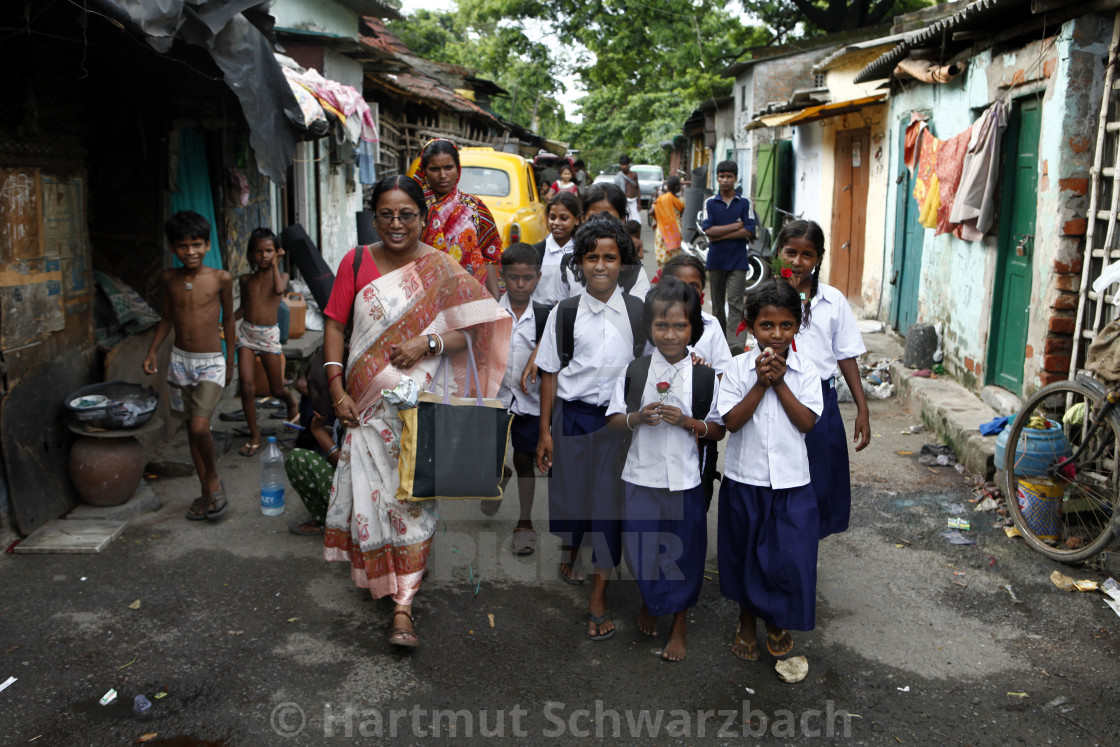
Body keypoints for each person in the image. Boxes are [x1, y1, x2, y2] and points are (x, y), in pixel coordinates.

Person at [322, 175, 511, 649]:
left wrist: (427, 340)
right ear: (374, 217)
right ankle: (383, 576)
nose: (396, 223)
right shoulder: (356, 261)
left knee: (411, 503)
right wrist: (334, 388)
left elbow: (475, 330)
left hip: (416, 409)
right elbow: (334, 324)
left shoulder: (441, 269)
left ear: (423, 219)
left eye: (407, 214)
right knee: (370, 497)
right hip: (363, 406)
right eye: (386, 214)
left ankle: (404, 606)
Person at [535, 214, 646, 641]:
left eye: (610, 257)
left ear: (624, 263)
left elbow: (657, 362)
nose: (600, 266)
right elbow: (548, 373)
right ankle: (571, 544)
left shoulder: (638, 313)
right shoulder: (565, 314)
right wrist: (545, 431)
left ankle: (599, 593)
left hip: (619, 425)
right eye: (592, 257)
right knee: (573, 498)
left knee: (608, 505)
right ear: (578, 263)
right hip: (574, 417)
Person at [606, 278, 725, 661]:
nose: (670, 334)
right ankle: (653, 600)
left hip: (686, 482)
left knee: (685, 554)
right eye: (661, 325)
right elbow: (612, 420)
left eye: (680, 326)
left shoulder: (704, 376)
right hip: (640, 477)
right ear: (649, 327)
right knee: (642, 551)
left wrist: (691, 423)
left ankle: (679, 622)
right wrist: (637, 417)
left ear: (694, 328)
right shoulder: (635, 370)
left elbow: (720, 428)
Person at [716, 279, 822, 662]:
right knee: (746, 557)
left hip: (792, 484)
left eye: (786, 326)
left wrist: (780, 384)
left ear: (797, 325)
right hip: (746, 481)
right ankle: (746, 623)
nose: (776, 335)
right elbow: (731, 422)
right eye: (767, 326)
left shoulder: (807, 371)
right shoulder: (737, 369)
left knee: (786, 559)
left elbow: (806, 422)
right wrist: (761, 384)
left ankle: (776, 620)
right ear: (750, 325)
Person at [776, 219, 871, 538]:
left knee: (818, 476)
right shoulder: (766, 299)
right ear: (779, 252)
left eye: (807, 255)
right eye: (790, 252)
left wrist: (862, 409)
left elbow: (846, 355)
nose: (797, 262)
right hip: (775, 394)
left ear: (818, 259)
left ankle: (805, 545)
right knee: (776, 474)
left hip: (820, 401)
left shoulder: (833, 302)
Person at [142, 210, 235, 521]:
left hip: (211, 363)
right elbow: (167, 319)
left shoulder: (221, 278)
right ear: (173, 248)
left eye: (196, 244)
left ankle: (212, 480)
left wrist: (231, 359)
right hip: (180, 363)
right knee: (190, 431)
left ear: (207, 245)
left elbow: (229, 320)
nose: (191, 252)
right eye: (183, 246)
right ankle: (207, 490)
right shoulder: (169, 278)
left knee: (199, 426)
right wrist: (153, 351)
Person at [486, 242, 546, 555]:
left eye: (527, 278)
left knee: (525, 459)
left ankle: (525, 522)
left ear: (537, 277)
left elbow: (555, 353)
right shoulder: (492, 309)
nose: (520, 285)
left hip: (531, 402)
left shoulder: (546, 314)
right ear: (503, 277)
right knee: (490, 455)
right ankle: (498, 475)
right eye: (513, 278)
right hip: (496, 397)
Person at [660, 253, 733, 508]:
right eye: (679, 285)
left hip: (699, 432)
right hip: (658, 428)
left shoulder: (710, 326)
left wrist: (705, 376)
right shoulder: (654, 326)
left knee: (696, 497)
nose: (686, 292)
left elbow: (723, 377)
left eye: (694, 286)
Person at [235, 228, 298, 457]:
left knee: (276, 388)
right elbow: (243, 308)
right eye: (259, 251)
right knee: (247, 387)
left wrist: (275, 264)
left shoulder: (281, 277)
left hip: (269, 335)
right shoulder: (245, 280)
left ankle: (290, 402)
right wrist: (223, 321)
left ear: (276, 252)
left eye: (269, 251)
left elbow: (280, 291)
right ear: (251, 254)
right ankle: (255, 435)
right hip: (247, 335)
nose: (263, 255)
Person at [414, 138, 503, 299]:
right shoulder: (414, 210)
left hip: (471, 297)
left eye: (448, 167)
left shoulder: (474, 208)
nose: (442, 175)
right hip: (425, 300)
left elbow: (490, 254)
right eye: (434, 169)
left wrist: (495, 300)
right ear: (424, 171)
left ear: (457, 168)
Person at [701, 161, 756, 346]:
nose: (725, 180)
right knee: (717, 306)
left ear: (735, 178)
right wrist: (736, 226)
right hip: (715, 261)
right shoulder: (710, 202)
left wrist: (719, 234)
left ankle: (736, 346)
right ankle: (719, 343)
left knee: (736, 304)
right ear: (717, 178)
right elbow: (708, 231)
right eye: (722, 176)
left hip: (738, 262)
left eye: (729, 176)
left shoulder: (745, 202)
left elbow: (750, 230)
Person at [582, 183, 651, 299]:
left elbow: (639, 312)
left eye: (609, 218)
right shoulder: (569, 266)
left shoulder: (634, 273)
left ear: (623, 219)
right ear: (583, 218)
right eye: (593, 218)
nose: (601, 225)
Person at [532, 192, 582, 308]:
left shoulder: (581, 254)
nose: (556, 223)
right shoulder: (536, 252)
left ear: (576, 220)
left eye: (563, 218)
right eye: (552, 218)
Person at [653, 176, 685, 268]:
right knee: (674, 259)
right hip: (675, 231)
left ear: (668, 187)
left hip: (663, 230)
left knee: (664, 259)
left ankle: (664, 276)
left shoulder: (661, 199)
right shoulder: (681, 200)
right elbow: (680, 214)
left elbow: (652, 211)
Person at [612, 154, 642, 223]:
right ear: (620, 165)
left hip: (633, 201)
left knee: (637, 222)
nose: (624, 167)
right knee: (624, 221)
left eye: (626, 164)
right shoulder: (618, 177)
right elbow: (615, 192)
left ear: (629, 164)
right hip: (624, 202)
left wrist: (639, 203)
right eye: (622, 165)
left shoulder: (634, 175)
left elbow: (637, 189)